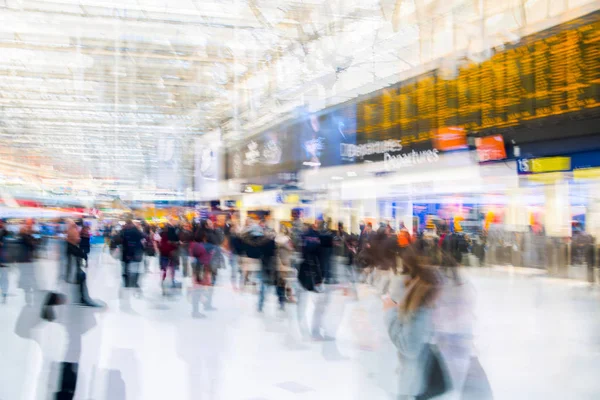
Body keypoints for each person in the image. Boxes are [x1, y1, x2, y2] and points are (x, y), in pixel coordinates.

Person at [383, 252, 447, 400]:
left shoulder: (421, 309)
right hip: (415, 380)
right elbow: (409, 347)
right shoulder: (422, 311)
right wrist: (390, 314)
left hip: (415, 379)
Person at [189, 230, 216, 317]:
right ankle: (196, 311)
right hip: (200, 270)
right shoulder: (199, 247)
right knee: (197, 291)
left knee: (197, 290)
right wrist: (210, 255)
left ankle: (197, 310)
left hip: (196, 269)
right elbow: (204, 259)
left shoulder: (193, 245)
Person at [120, 219, 145, 291]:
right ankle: (134, 281)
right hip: (136, 252)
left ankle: (129, 282)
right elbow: (142, 239)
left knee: (129, 268)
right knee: (134, 267)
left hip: (131, 252)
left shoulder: (129, 232)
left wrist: (129, 253)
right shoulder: (137, 231)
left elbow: (128, 242)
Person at [0, 219, 9, 303]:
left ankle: (4, 294)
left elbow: (7, 235)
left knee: (4, 278)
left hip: (3, 258)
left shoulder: (4, 231)